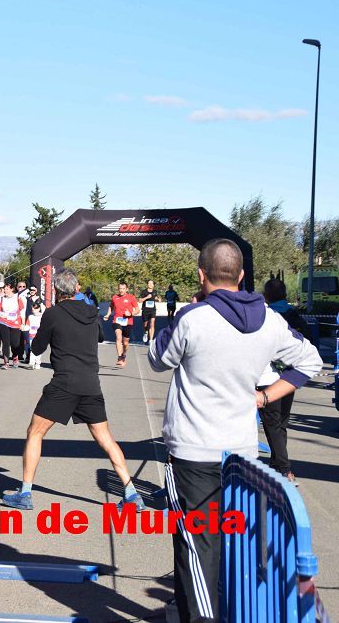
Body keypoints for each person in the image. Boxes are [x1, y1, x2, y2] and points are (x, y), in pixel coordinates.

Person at [148, 239, 322, 623]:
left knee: (197, 546)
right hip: (241, 454)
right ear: (242, 275)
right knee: (234, 544)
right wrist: (264, 397)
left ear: (201, 274)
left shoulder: (194, 319)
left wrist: (175, 318)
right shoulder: (271, 320)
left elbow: (158, 359)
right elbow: (310, 361)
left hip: (193, 451)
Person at [1, 270, 142, 512]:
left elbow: (36, 349)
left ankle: (25, 493)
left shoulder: (53, 314)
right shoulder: (91, 311)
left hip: (64, 383)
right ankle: (131, 493)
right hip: (90, 383)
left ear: (56, 291)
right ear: (77, 288)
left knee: (34, 433)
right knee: (106, 439)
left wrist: (36, 329)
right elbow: (99, 336)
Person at [258, 277, 311, 484]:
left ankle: (285, 469)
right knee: (281, 422)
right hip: (290, 375)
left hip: (269, 377)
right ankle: (276, 462)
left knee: (272, 423)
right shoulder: (294, 315)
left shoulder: (266, 317)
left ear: (266, 296)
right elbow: (309, 342)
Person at [103, 282, 139, 368]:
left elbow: (137, 310)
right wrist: (108, 315)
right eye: (120, 288)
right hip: (117, 321)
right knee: (118, 338)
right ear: (118, 289)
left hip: (128, 322)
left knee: (125, 343)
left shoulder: (131, 298)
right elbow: (111, 306)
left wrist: (130, 313)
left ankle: (123, 355)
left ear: (126, 289)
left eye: (123, 289)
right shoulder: (115, 297)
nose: (121, 290)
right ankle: (119, 358)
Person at [0, 283, 24, 369]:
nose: (5, 291)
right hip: (3, 322)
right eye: (4, 289)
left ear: (12, 289)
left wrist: (23, 323)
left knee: (15, 343)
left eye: (7, 289)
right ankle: (6, 363)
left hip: (16, 322)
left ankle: (15, 356)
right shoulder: (1, 299)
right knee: (5, 343)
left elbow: (22, 310)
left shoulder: (18, 297)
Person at [138, 280, 159, 344]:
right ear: (147, 284)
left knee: (152, 323)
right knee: (145, 324)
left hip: (152, 310)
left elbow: (156, 297)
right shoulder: (144, 292)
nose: (150, 284)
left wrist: (158, 299)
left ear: (153, 285)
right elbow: (140, 301)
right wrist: (147, 297)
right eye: (149, 283)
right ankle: (145, 332)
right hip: (145, 310)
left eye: (151, 283)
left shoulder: (155, 292)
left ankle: (151, 340)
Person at [27, 300, 44, 369]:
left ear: (39, 309)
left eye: (35, 309)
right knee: (32, 349)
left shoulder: (42, 316)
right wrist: (24, 327)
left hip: (40, 336)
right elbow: (27, 325)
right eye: (33, 309)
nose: (34, 310)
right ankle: (31, 363)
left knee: (39, 350)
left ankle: (38, 363)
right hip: (32, 335)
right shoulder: (30, 317)